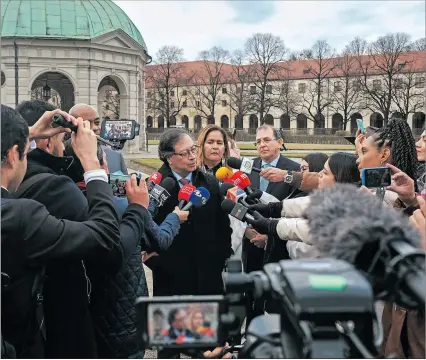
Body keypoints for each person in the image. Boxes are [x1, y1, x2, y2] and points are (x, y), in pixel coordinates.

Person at [1, 104, 123, 358]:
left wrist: (28, 134)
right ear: (14, 155)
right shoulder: (20, 216)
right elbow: (105, 238)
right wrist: (93, 167)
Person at [145, 128, 232, 299]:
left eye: (193, 149)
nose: (192, 156)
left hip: (208, 278)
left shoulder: (209, 182)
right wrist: (160, 264)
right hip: (171, 281)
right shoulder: (156, 187)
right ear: (169, 157)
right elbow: (147, 232)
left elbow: (222, 226)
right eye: (185, 153)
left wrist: (220, 259)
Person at [242, 124, 300, 327]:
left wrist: (269, 237)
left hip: (278, 247)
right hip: (250, 245)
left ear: (280, 142)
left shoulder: (294, 170)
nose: (262, 145)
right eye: (258, 141)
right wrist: (248, 232)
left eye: (267, 140)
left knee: (275, 302)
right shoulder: (246, 166)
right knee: (250, 300)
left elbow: (298, 209)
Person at [69, 103, 128, 174]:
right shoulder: (63, 158)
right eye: (85, 124)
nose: (95, 127)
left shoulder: (115, 155)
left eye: (97, 122)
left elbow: (125, 183)